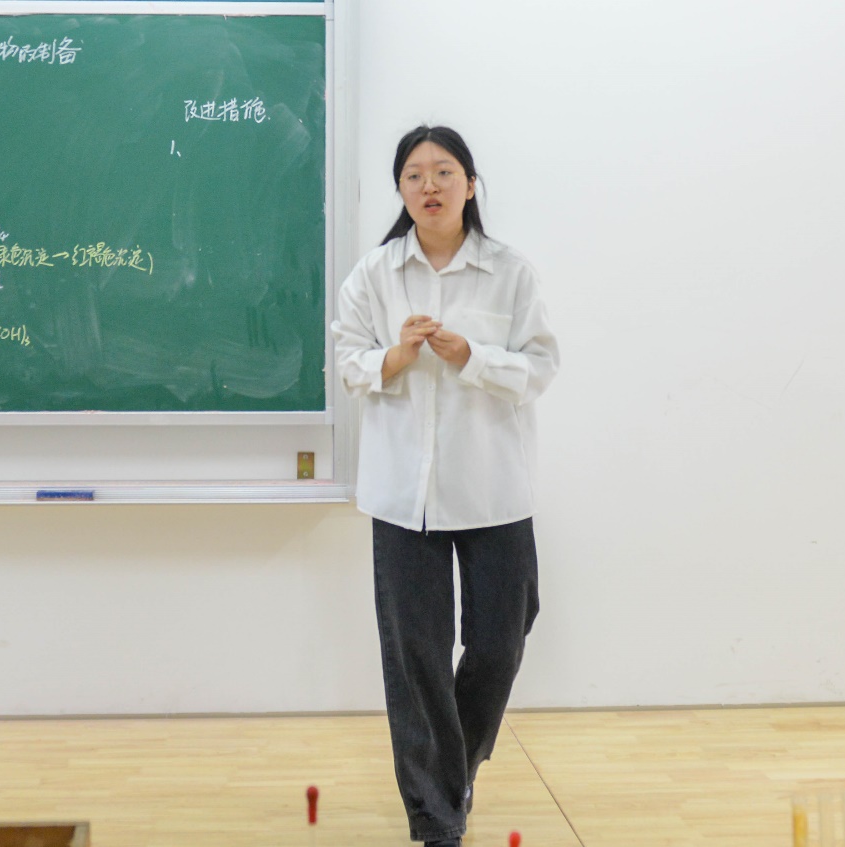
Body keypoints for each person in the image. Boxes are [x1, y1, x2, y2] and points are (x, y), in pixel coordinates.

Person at [331, 125, 560, 847]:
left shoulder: (509, 272)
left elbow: (541, 367)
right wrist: (394, 357)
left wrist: (472, 356)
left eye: (443, 172)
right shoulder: (375, 273)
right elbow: (347, 360)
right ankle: (437, 817)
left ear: (470, 184)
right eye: (413, 175)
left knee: (500, 640)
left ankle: (451, 767)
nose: (428, 185)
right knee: (416, 657)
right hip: (404, 496)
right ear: (400, 190)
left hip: (493, 488)